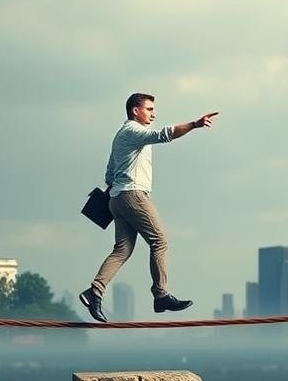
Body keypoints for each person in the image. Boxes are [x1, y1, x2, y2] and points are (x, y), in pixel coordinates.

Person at [80, 93, 219, 322]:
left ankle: (94, 291)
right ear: (135, 110)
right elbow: (163, 135)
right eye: (149, 109)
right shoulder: (132, 131)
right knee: (160, 240)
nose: (153, 114)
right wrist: (194, 124)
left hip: (118, 199)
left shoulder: (122, 136)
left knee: (122, 250)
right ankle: (161, 295)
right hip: (133, 195)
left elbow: (109, 174)